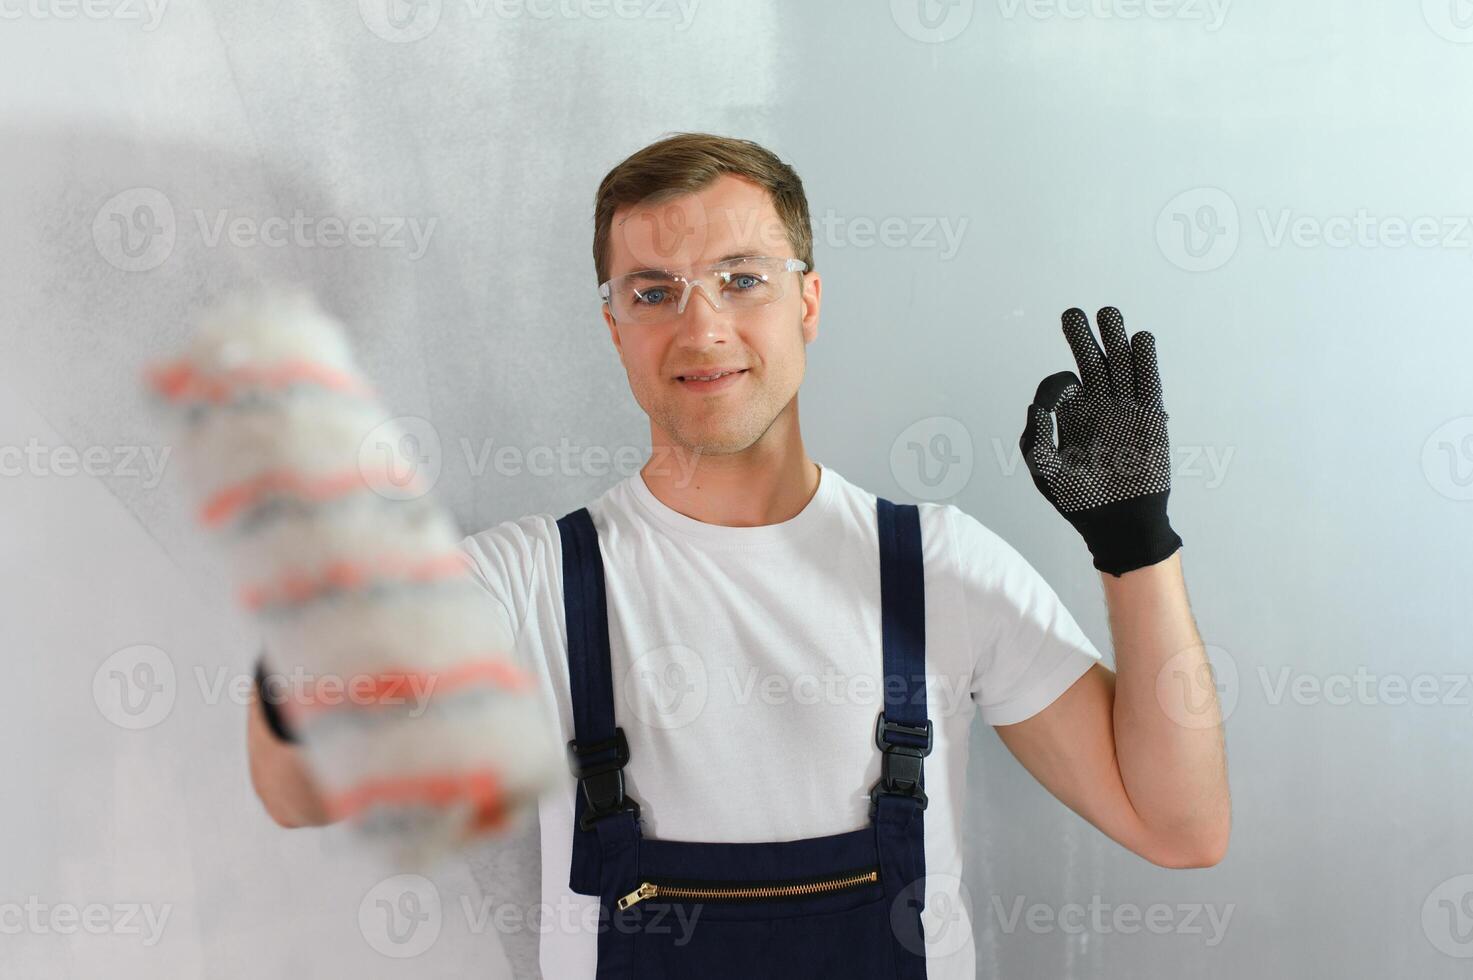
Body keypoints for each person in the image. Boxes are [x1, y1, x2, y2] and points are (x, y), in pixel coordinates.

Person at [248, 132, 1230, 978]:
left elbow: (1180, 824)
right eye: (654, 290)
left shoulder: (935, 566)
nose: (701, 324)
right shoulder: (526, 583)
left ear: (808, 301)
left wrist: (1135, 544)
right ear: (615, 326)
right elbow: (300, 790)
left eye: (741, 279)